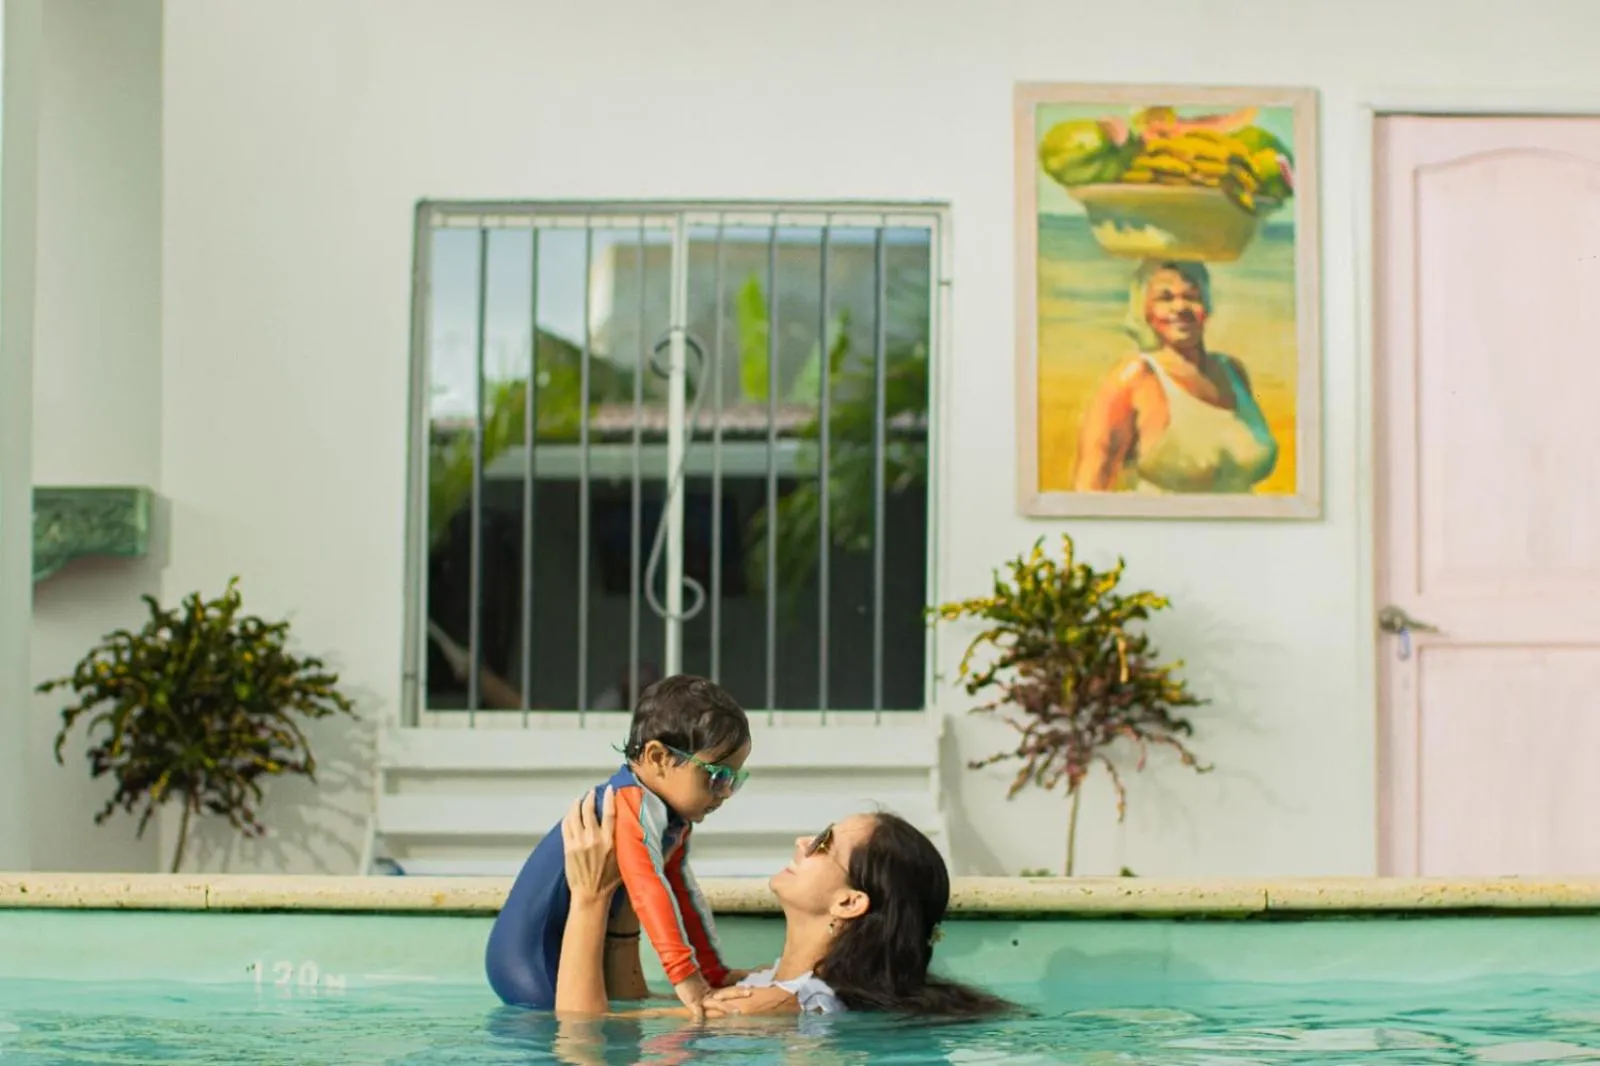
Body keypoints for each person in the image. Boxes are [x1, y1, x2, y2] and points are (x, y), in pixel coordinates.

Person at [554, 787, 1015, 1020]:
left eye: (823, 842)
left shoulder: (782, 1003)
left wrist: (590, 897)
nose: (802, 842)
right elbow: (633, 1008)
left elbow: (584, 1034)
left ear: (849, 902)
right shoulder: (774, 985)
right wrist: (625, 903)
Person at [486, 675, 754, 1016]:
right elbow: (648, 890)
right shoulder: (629, 805)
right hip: (528, 959)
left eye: (734, 780)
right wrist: (687, 979)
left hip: (557, 948)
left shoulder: (671, 818)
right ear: (658, 757)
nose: (726, 793)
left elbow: (682, 894)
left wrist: (714, 973)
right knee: (575, 1029)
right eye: (716, 777)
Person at [1072, 258, 1278, 494]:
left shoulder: (1232, 372)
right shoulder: (1134, 377)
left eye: (1191, 296)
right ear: (1146, 311)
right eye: (1165, 298)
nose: (1180, 308)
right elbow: (1091, 485)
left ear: (1206, 307)